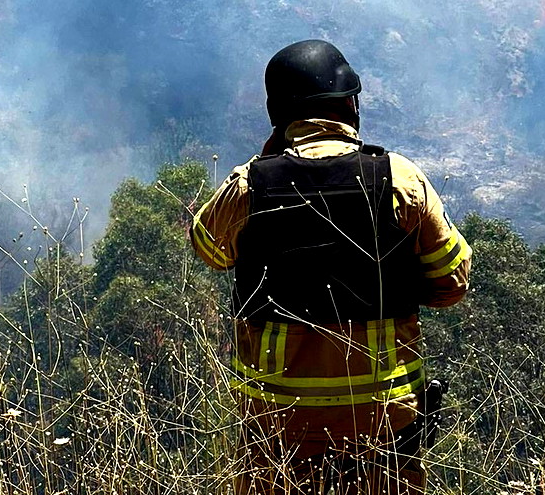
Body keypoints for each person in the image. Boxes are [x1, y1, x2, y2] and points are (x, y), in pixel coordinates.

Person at [189, 40, 471, 494]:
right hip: (383, 424)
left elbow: (209, 248)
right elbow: (452, 282)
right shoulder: (399, 178)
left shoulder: (250, 185)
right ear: (349, 105)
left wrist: (267, 168)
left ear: (279, 114)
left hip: (280, 428)